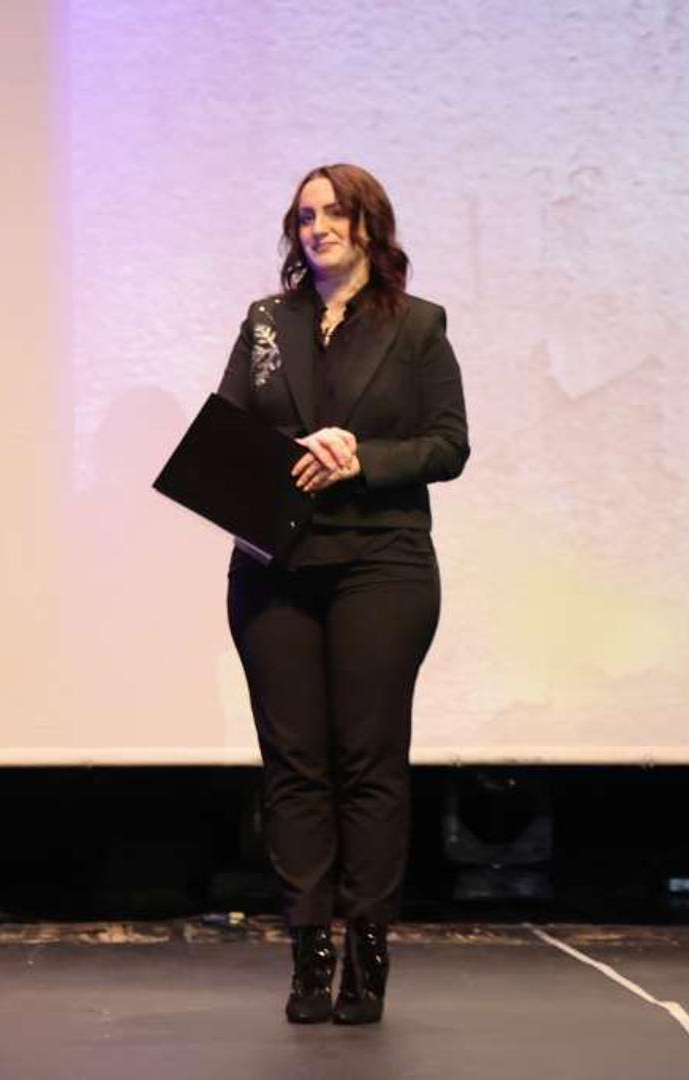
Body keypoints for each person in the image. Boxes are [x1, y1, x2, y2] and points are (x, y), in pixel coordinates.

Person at [215, 163, 468, 1025]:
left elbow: (447, 445)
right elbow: (227, 432)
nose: (316, 226)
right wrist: (290, 451)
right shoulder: (267, 322)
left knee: (368, 759)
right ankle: (308, 951)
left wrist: (360, 456)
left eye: (333, 213)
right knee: (293, 764)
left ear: (368, 225)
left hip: (380, 564)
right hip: (274, 565)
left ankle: (367, 948)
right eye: (304, 215)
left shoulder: (417, 325)